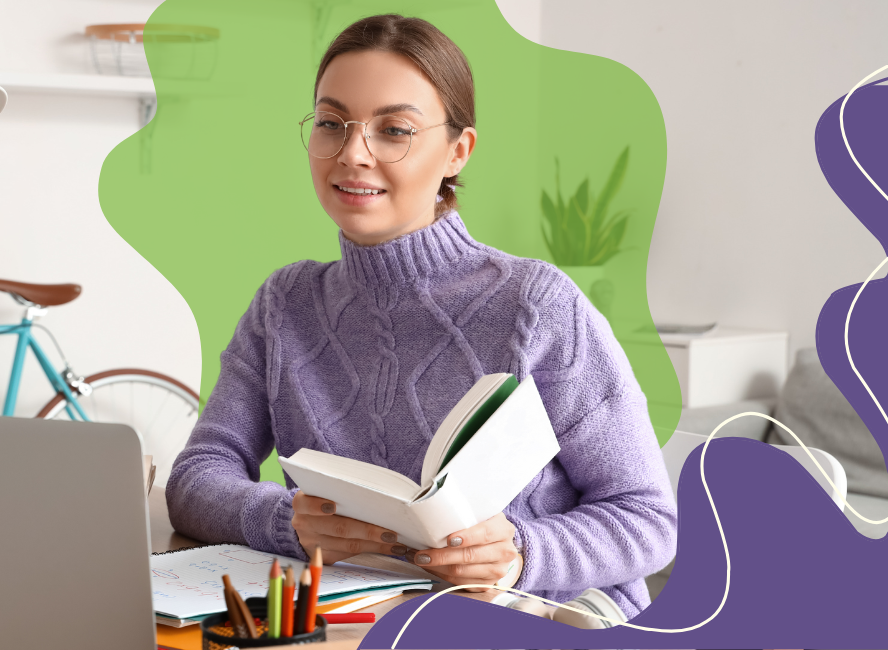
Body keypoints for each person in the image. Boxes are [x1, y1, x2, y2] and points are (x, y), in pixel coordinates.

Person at [165, 13, 677, 618]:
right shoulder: (285, 304)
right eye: (332, 123)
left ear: (457, 152)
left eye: (394, 130)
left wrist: (522, 553)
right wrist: (284, 521)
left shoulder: (537, 306)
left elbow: (647, 519)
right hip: (358, 623)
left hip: (534, 616)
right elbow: (197, 476)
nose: (353, 153)